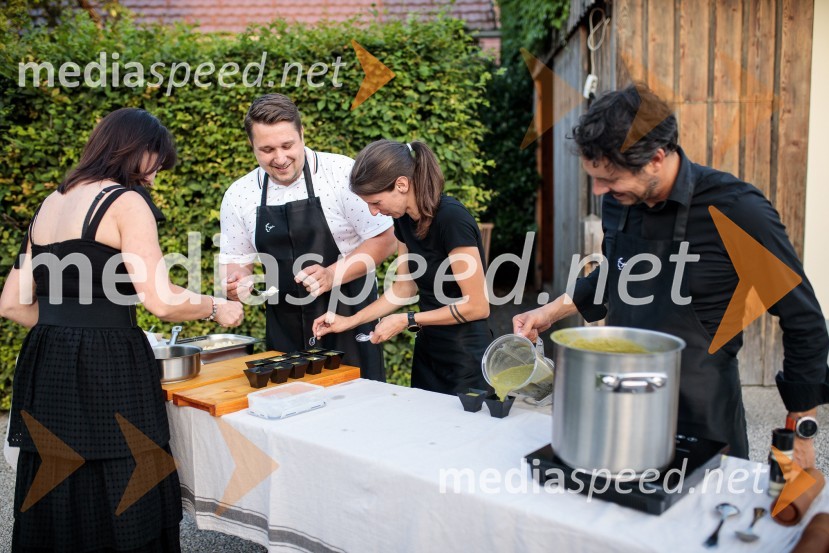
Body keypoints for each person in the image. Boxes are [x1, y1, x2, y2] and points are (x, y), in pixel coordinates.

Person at [513, 84, 829, 466]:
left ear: (656, 159)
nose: (600, 190)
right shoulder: (618, 201)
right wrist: (550, 312)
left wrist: (802, 427)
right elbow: (617, 274)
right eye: (595, 178)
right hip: (622, 404)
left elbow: (804, 321)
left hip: (703, 414)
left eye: (610, 178)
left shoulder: (736, 209)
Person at [0, 107, 244, 551]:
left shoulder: (49, 204)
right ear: (137, 151)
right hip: (107, 361)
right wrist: (216, 308)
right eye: (156, 162)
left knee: (57, 475)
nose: (155, 175)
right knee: (127, 473)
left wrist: (68, 324)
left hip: (47, 357)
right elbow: (161, 300)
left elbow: (12, 304)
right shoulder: (125, 202)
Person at [220, 94, 395, 381]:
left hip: (349, 317)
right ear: (251, 146)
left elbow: (386, 238)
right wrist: (236, 284)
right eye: (266, 149)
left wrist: (331, 274)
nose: (279, 158)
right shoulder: (239, 195)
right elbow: (236, 262)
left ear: (302, 134)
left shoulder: (341, 175)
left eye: (287, 145)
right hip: (282, 329)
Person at [312, 140, 492, 394]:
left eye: (376, 202)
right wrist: (349, 321)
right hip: (429, 352)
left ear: (402, 184)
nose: (374, 213)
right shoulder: (403, 222)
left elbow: (477, 306)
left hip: (467, 357)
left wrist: (408, 320)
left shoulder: (452, 219)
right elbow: (404, 289)